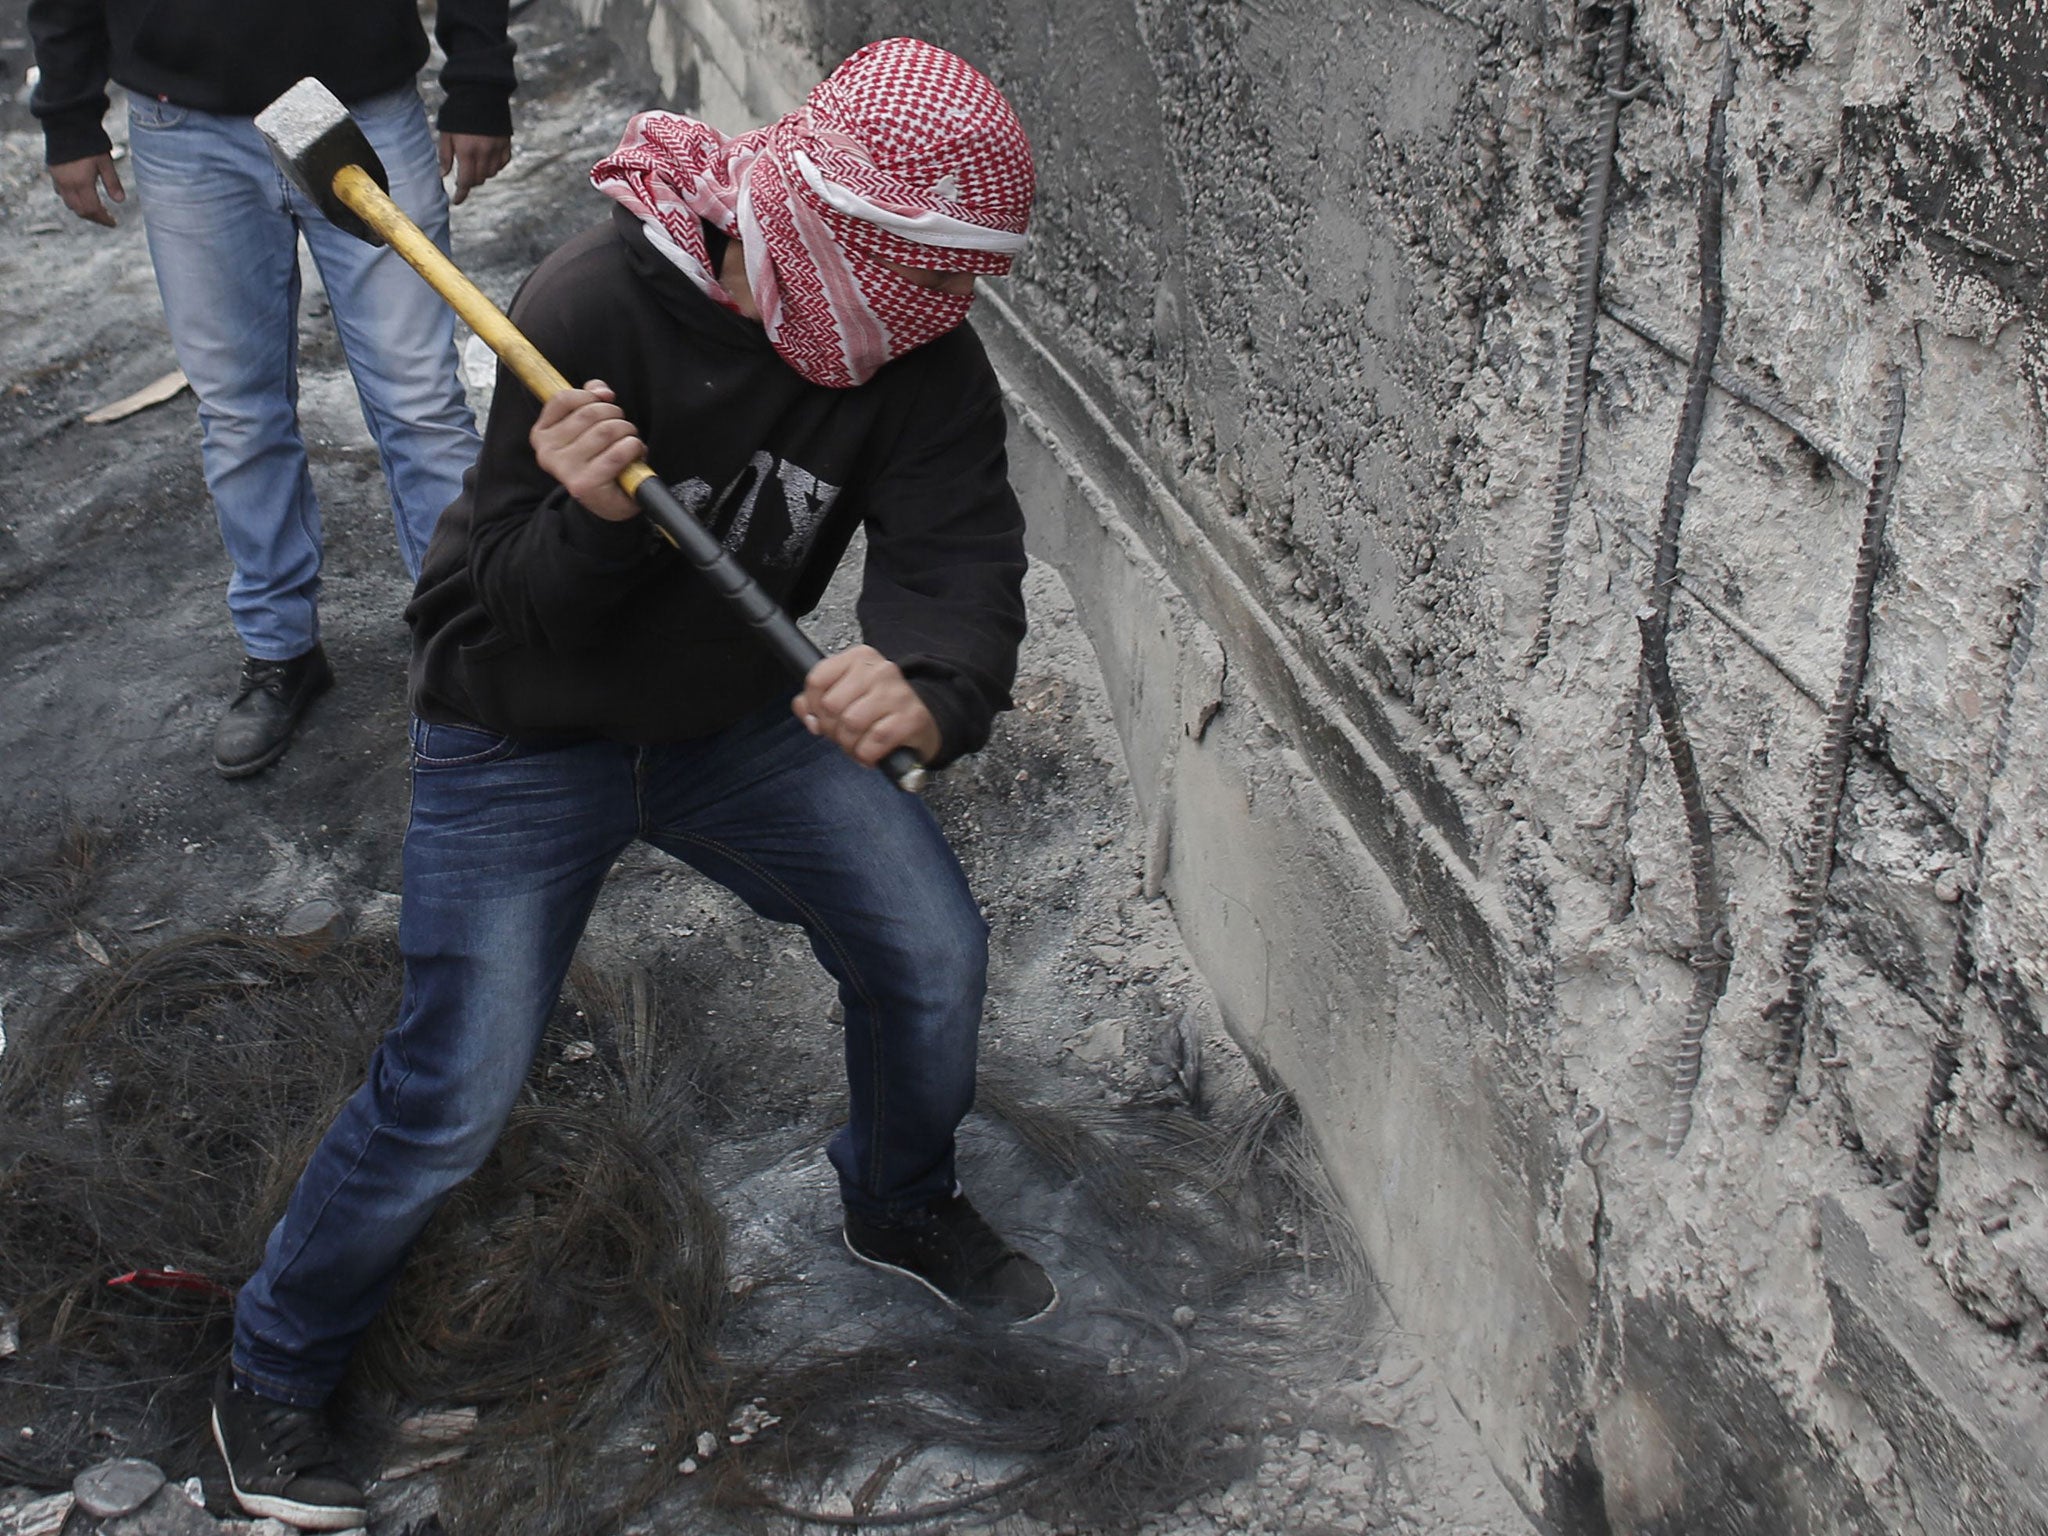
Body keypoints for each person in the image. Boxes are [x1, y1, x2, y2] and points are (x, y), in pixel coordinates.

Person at [208, 37, 1053, 1530]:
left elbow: (961, 555)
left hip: (732, 731)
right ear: (824, 228)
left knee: (928, 948)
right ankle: (270, 1373)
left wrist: (927, 678)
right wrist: (594, 517)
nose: (946, 313)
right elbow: (510, 606)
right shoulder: (588, 305)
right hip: (520, 731)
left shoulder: (915, 352)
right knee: (455, 1091)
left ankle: (896, 1192)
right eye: (925, 275)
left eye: (961, 283)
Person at [26, 3, 517, 777]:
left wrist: (480, 82)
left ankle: (466, 638)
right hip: (184, 130)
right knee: (239, 414)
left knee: (420, 400)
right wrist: (68, 114)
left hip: (364, 107)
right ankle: (280, 651)